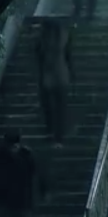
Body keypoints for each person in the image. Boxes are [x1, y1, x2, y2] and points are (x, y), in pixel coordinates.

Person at [35, 17, 73, 148]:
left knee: (50, 108)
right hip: (61, 76)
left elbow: (39, 57)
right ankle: (58, 137)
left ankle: (51, 133)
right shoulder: (64, 37)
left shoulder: (43, 40)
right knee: (59, 109)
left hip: (49, 77)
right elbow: (68, 57)